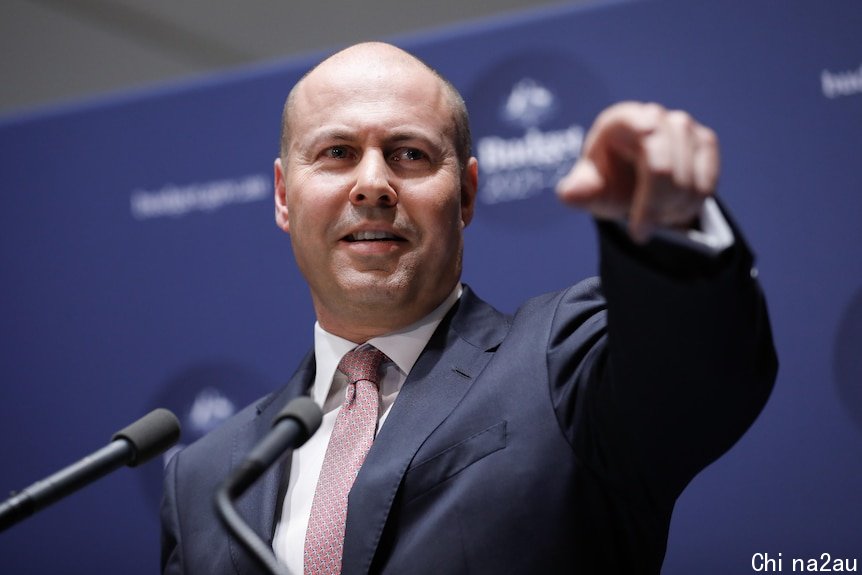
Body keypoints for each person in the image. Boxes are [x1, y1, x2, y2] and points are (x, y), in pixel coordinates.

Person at [160, 42, 777, 574]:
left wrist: (668, 226)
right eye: (337, 153)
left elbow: (699, 370)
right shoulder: (205, 477)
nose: (373, 184)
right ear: (283, 196)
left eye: (410, 154)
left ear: (466, 196)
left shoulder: (561, 365)